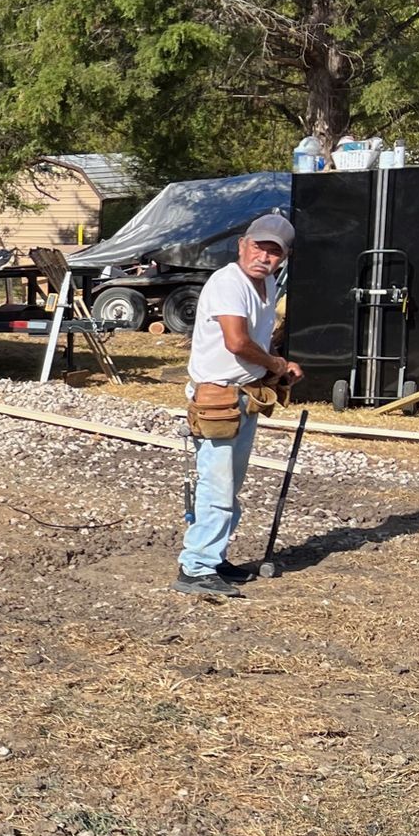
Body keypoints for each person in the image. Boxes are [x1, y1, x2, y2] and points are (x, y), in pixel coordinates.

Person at [173, 212, 304, 596]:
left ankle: (211, 558)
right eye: (258, 247)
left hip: (243, 396)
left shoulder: (267, 285)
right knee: (217, 484)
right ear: (242, 245)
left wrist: (278, 362)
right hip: (218, 398)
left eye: (273, 252)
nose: (263, 257)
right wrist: (275, 364)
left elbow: (257, 342)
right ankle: (195, 568)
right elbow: (236, 341)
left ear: (284, 257)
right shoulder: (228, 283)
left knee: (229, 485)